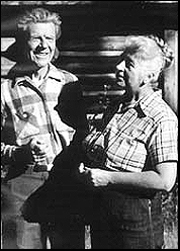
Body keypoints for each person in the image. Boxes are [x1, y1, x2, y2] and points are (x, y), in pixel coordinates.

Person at [77, 35, 178, 249]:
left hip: (137, 220)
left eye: (129, 63)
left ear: (149, 75)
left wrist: (109, 178)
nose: (119, 66)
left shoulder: (160, 117)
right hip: (105, 213)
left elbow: (165, 180)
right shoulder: (117, 106)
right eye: (121, 59)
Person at [1, 7, 87, 249]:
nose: (43, 45)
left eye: (48, 38)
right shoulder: (6, 90)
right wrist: (20, 152)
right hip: (22, 183)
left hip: (66, 181)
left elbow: (84, 134)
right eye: (36, 38)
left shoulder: (70, 84)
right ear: (24, 42)